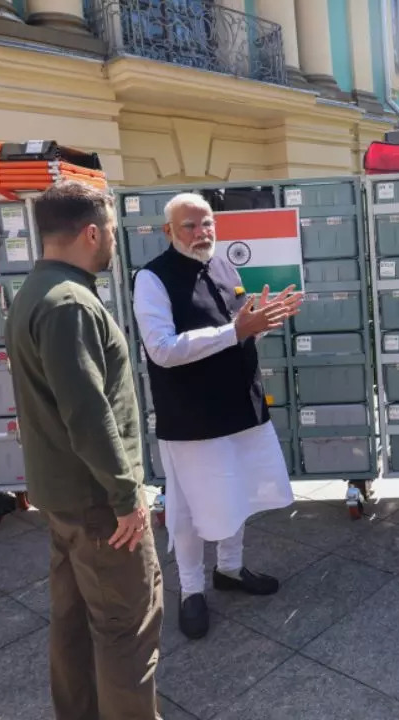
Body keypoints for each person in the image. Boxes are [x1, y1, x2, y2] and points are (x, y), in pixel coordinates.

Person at [5, 180, 162, 720]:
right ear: (92, 232)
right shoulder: (70, 303)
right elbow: (87, 413)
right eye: (113, 231)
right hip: (100, 508)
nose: (114, 240)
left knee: (73, 623)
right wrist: (126, 497)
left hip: (64, 499)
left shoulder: (35, 290)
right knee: (126, 629)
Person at [131, 192, 302, 640]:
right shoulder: (151, 279)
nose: (201, 232)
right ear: (168, 231)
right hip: (191, 416)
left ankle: (230, 568)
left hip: (239, 403)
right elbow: (162, 350)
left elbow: (235, 333)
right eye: (190, 225)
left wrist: (257, 325)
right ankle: (190, 590)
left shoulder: (225, 266)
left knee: (239, 490)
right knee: (187, 507)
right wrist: (235, 330)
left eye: (207, 223)